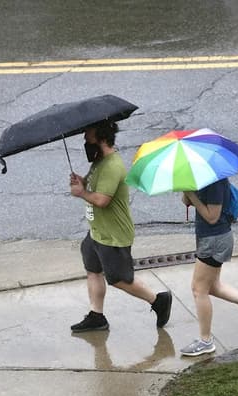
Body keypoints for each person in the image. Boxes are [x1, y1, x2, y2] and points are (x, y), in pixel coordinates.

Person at [68, 120, 172, 333]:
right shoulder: (98, 162)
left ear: (101, 135)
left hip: (113, 235)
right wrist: (82, 181)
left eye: (88, 131)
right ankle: (97, 316)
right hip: (97, 232)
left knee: (119, 279)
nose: (84, 137)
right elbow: (92, 185)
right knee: (93, 270)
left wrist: (82, 193)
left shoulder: (113, 166)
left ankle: (158, 301)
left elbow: (102, 199)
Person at [179, 179, 238, 356]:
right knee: (213, 286)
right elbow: (187, 201)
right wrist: (187, 192)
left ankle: (206, 341)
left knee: (199, 290)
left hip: (215, 240)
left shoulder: (214, 182)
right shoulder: (199, 176)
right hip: (209, 238)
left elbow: (212, 217)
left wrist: (191, 195)